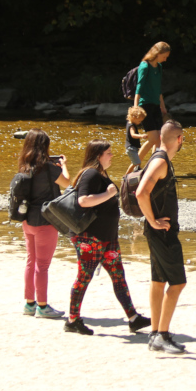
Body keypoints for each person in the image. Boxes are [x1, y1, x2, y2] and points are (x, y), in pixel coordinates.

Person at [63, 140, 152, 336]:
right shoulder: (91, 173)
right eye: (108, 153)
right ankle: (72, 320)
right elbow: (83, 201)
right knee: (84, 277)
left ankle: (133, 318)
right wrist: (108, 193)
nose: (112, 156)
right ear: (98, 155)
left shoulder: (100, 173)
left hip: (106, 238)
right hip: (90, 237)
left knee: (118, 276)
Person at [136, 120, 187, 354]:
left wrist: (151, 222)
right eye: (182, 138)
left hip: (159, 232)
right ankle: (162, 336)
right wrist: (152, 221)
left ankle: (156, 333)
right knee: (178, 283)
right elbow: (140, 193)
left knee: (158, 281)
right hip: (163, 233)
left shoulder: (158, 157)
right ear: (178, 139)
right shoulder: (160, 161)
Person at [18, 129, 70, 318]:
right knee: (43, 265)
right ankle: (42, 306)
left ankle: (29, 304)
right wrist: (63, 165)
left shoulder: (25, 165)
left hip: (27, 219)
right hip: (46, 221)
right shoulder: (49, 167)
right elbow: (67, 184)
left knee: (31, 262)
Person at [133, 41, 171, 165]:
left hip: (155, 105)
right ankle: (134, 165)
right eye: (164, 56)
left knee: (160, 138)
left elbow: (158, 88)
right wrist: (135, 107)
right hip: (145, 105)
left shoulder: (159, 67)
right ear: (158, 53)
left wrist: (163, 106)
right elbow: (139, 87)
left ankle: (152, 165)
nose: (165, 60)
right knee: (153, 138)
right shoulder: (145, 66)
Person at [125, 105, 147, 174]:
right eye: (139, 121)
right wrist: (141, 136)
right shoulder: (131, 126)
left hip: (132, 148)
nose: (140, 122)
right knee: (137, 163)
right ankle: (130, 176)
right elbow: (133, 135)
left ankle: (126, 176)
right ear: (134, 117)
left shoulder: (129, 123)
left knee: (135, 163)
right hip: (131, 148)